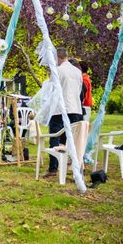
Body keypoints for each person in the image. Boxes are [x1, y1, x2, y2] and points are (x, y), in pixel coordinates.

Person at [45, 48, 83, 176]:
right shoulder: (78, 72)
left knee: (55, 138)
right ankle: (74, 165)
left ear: (57, 58)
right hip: (76, 109)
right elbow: (79, 91)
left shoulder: (58, 71)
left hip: (60, 109)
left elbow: (52, 90)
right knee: (73, 139)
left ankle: (53, 168)